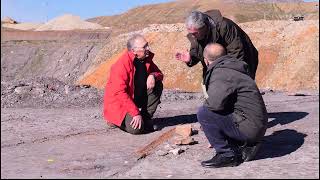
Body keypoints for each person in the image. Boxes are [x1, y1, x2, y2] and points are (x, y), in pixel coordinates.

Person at [197, 43, 267, 168]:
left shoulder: (222, 73)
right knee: (215, 112)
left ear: (206, 61)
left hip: (250, 128)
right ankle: (245, 145)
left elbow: (213, 105)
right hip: (255, 125)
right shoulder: (232, 67)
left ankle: (227, 155)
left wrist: (211, 127)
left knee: (204, 113)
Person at [103, 34, 163, 134]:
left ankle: (145, 117)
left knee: (157, 84)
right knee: (136, 129)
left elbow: (160, 74)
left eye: (147, 45)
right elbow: (120, 93)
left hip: (134, 99)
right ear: (133, 51)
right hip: (119, 104)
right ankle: (115, 121)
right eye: (144, 47)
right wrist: (135, 113)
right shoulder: (121, 65)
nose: (148, 48)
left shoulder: (146, 59)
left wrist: (153, 75)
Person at [175, 10, 258, 80]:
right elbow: (198, 52)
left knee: (237, 91)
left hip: (243, 60)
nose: (192, 36)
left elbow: (237, 52)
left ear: (204, 27)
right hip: (217, 66)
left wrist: (227, 76)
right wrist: (190, 59)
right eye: (190, 33)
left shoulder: (224, 27)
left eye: (195, 33)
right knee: (214, 90)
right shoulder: (196, 34)